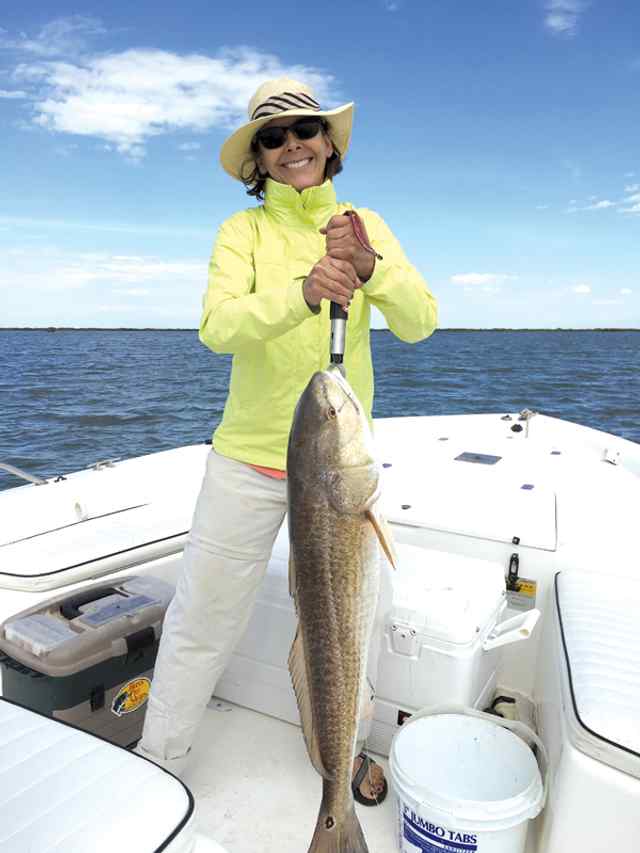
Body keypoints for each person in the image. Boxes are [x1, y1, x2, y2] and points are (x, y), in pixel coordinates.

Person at [136, 77, 438, 804]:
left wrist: (372, 268)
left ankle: (342, 756)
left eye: (304, 129)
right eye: (271, 138)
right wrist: (303, 291)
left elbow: (420, 320)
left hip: (338, 473)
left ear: (329, 144)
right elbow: (219, 328)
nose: (291, 144)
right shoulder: (241, 233)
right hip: (247, 460)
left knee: (348, 629)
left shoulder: (366, 224)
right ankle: (157, 759)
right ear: (258, 161)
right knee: (202, 618)